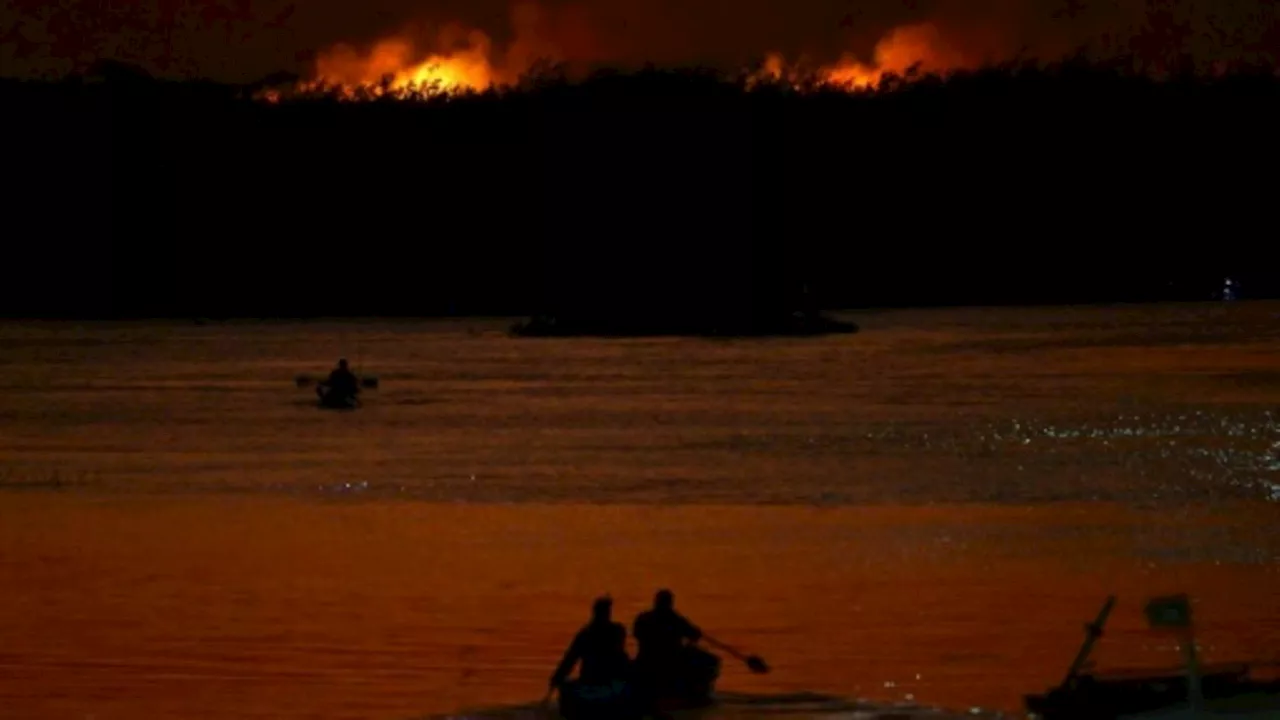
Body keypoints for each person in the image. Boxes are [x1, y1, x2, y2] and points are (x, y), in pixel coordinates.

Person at [631, 589, 717, 701]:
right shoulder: (675, 620)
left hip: (646, 662)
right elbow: (693, 634)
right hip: (670, 663)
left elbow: (636, 634)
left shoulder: (644, 618)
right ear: (670, 603)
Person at [550, 596, 631, 690]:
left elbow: (570, 658)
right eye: (606, 612)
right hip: (594, 680)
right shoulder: (613, 631)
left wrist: (558, 677)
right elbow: (570, 658)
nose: (608, 614)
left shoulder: (614, 631)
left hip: (604, 680)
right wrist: (558, 677)